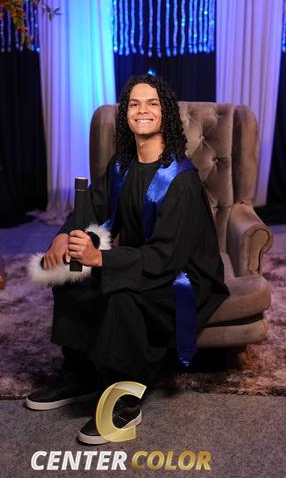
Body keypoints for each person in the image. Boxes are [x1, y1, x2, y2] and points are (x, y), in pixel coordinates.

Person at [26, 74, 229, 444]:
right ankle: (81, 373)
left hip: (184, 277)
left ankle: (125, 398)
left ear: (165, 114)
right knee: (72, 274)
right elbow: (94, 206)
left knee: (120, 292)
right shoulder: (122, 166)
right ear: (126, 115)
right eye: (135, 104)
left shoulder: (180, 180)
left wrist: (103, 260)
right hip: (140, 259)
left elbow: (167, 257)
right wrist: (64, 235)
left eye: (152, 103)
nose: (142, 110)